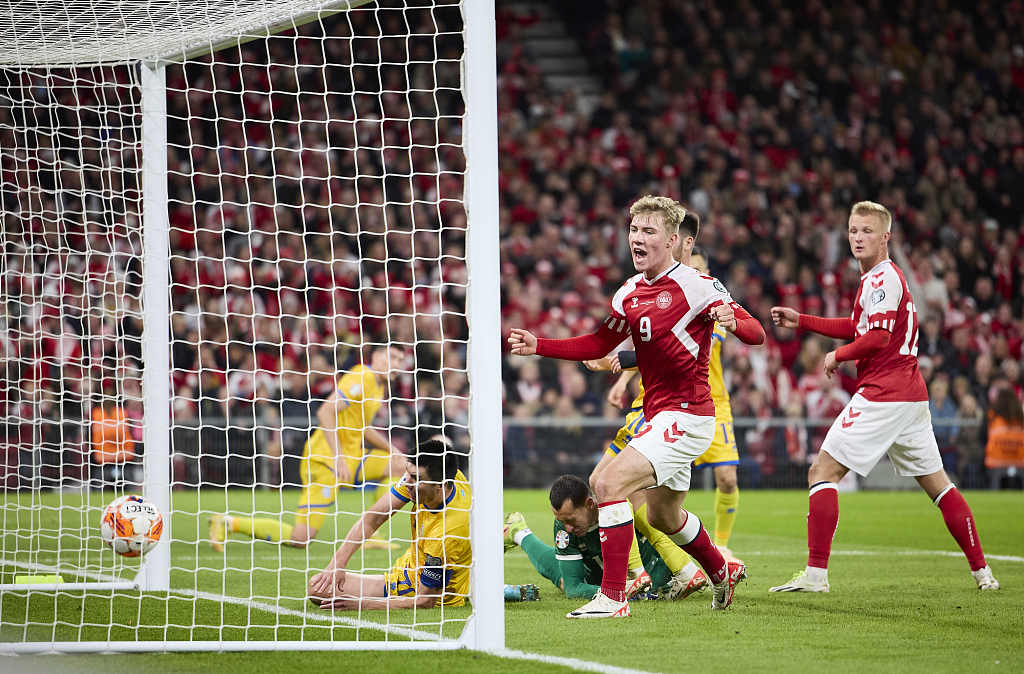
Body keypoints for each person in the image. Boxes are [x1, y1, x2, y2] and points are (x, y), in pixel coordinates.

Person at [509, 195, 765, 618]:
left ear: (671, 240)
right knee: (665, 516)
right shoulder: (629, 291)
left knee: (607, 485)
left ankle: (612, 598)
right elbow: (597, 343)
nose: (638, 238)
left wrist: (734, 320)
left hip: (688, 414)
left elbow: (756, 332)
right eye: (634, 230)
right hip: (658, 416)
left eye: (648, 231)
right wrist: (540, 346)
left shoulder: (697, 285)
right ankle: (720, 572)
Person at [768, 201, 999, 593]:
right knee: (940, 486)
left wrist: (837, 355)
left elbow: (877, 337)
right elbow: (857, 325)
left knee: (822, 471)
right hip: (910, 397)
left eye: (867, 231)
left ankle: (816, 575)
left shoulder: (883, 279)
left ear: (885, 237)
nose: (858, 237)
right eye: (853, 230)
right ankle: (984, 574)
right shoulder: (876, 280)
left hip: (884, 394)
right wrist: (803, 320)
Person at [587, 240, 741, 601]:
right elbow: (651, 346)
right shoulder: (652, 293)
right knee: (660, 512)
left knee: (609, 484)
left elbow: (669, 349)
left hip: (693, 407)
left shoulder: (707, 302)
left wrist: (619, 362)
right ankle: (712, 570)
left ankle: (622, 588)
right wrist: (623, 376)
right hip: (653, 405)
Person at [209, 345, 407, 549]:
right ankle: (228, 523)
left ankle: (369, 533)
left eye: (401, 360)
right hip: (325, 462)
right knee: (301, 538)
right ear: (375, 356)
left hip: (352, 457)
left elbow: (361, 425)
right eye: (392, 357)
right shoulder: (361, 377)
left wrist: (390, 448)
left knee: (400, 465)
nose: (397, 364)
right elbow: (325, 412)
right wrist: (338, 457)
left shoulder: (379, 386)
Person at [307, 439, 471, 609]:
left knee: (316, 588)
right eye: (408, 473)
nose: (407, 482)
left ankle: (472, 587)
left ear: (441, 486)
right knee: (324, 580)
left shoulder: (446, 534)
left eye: (416, 478)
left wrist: (364, 604)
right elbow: (373, 518)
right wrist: (337, 564)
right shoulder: (449, 476)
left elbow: (425, 601)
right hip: (416, 560)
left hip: (416, 587)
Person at [503, 475, 687, 600]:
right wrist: (620, 592)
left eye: (571, 519)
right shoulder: (564, 528)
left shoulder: (623, 509)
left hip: (647, 570)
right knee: (564, 582)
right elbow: (573, 588)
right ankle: (519, 532)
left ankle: (518, 531)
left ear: (590, 504)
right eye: (561, 520)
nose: (567, 527)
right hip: (595, 576)